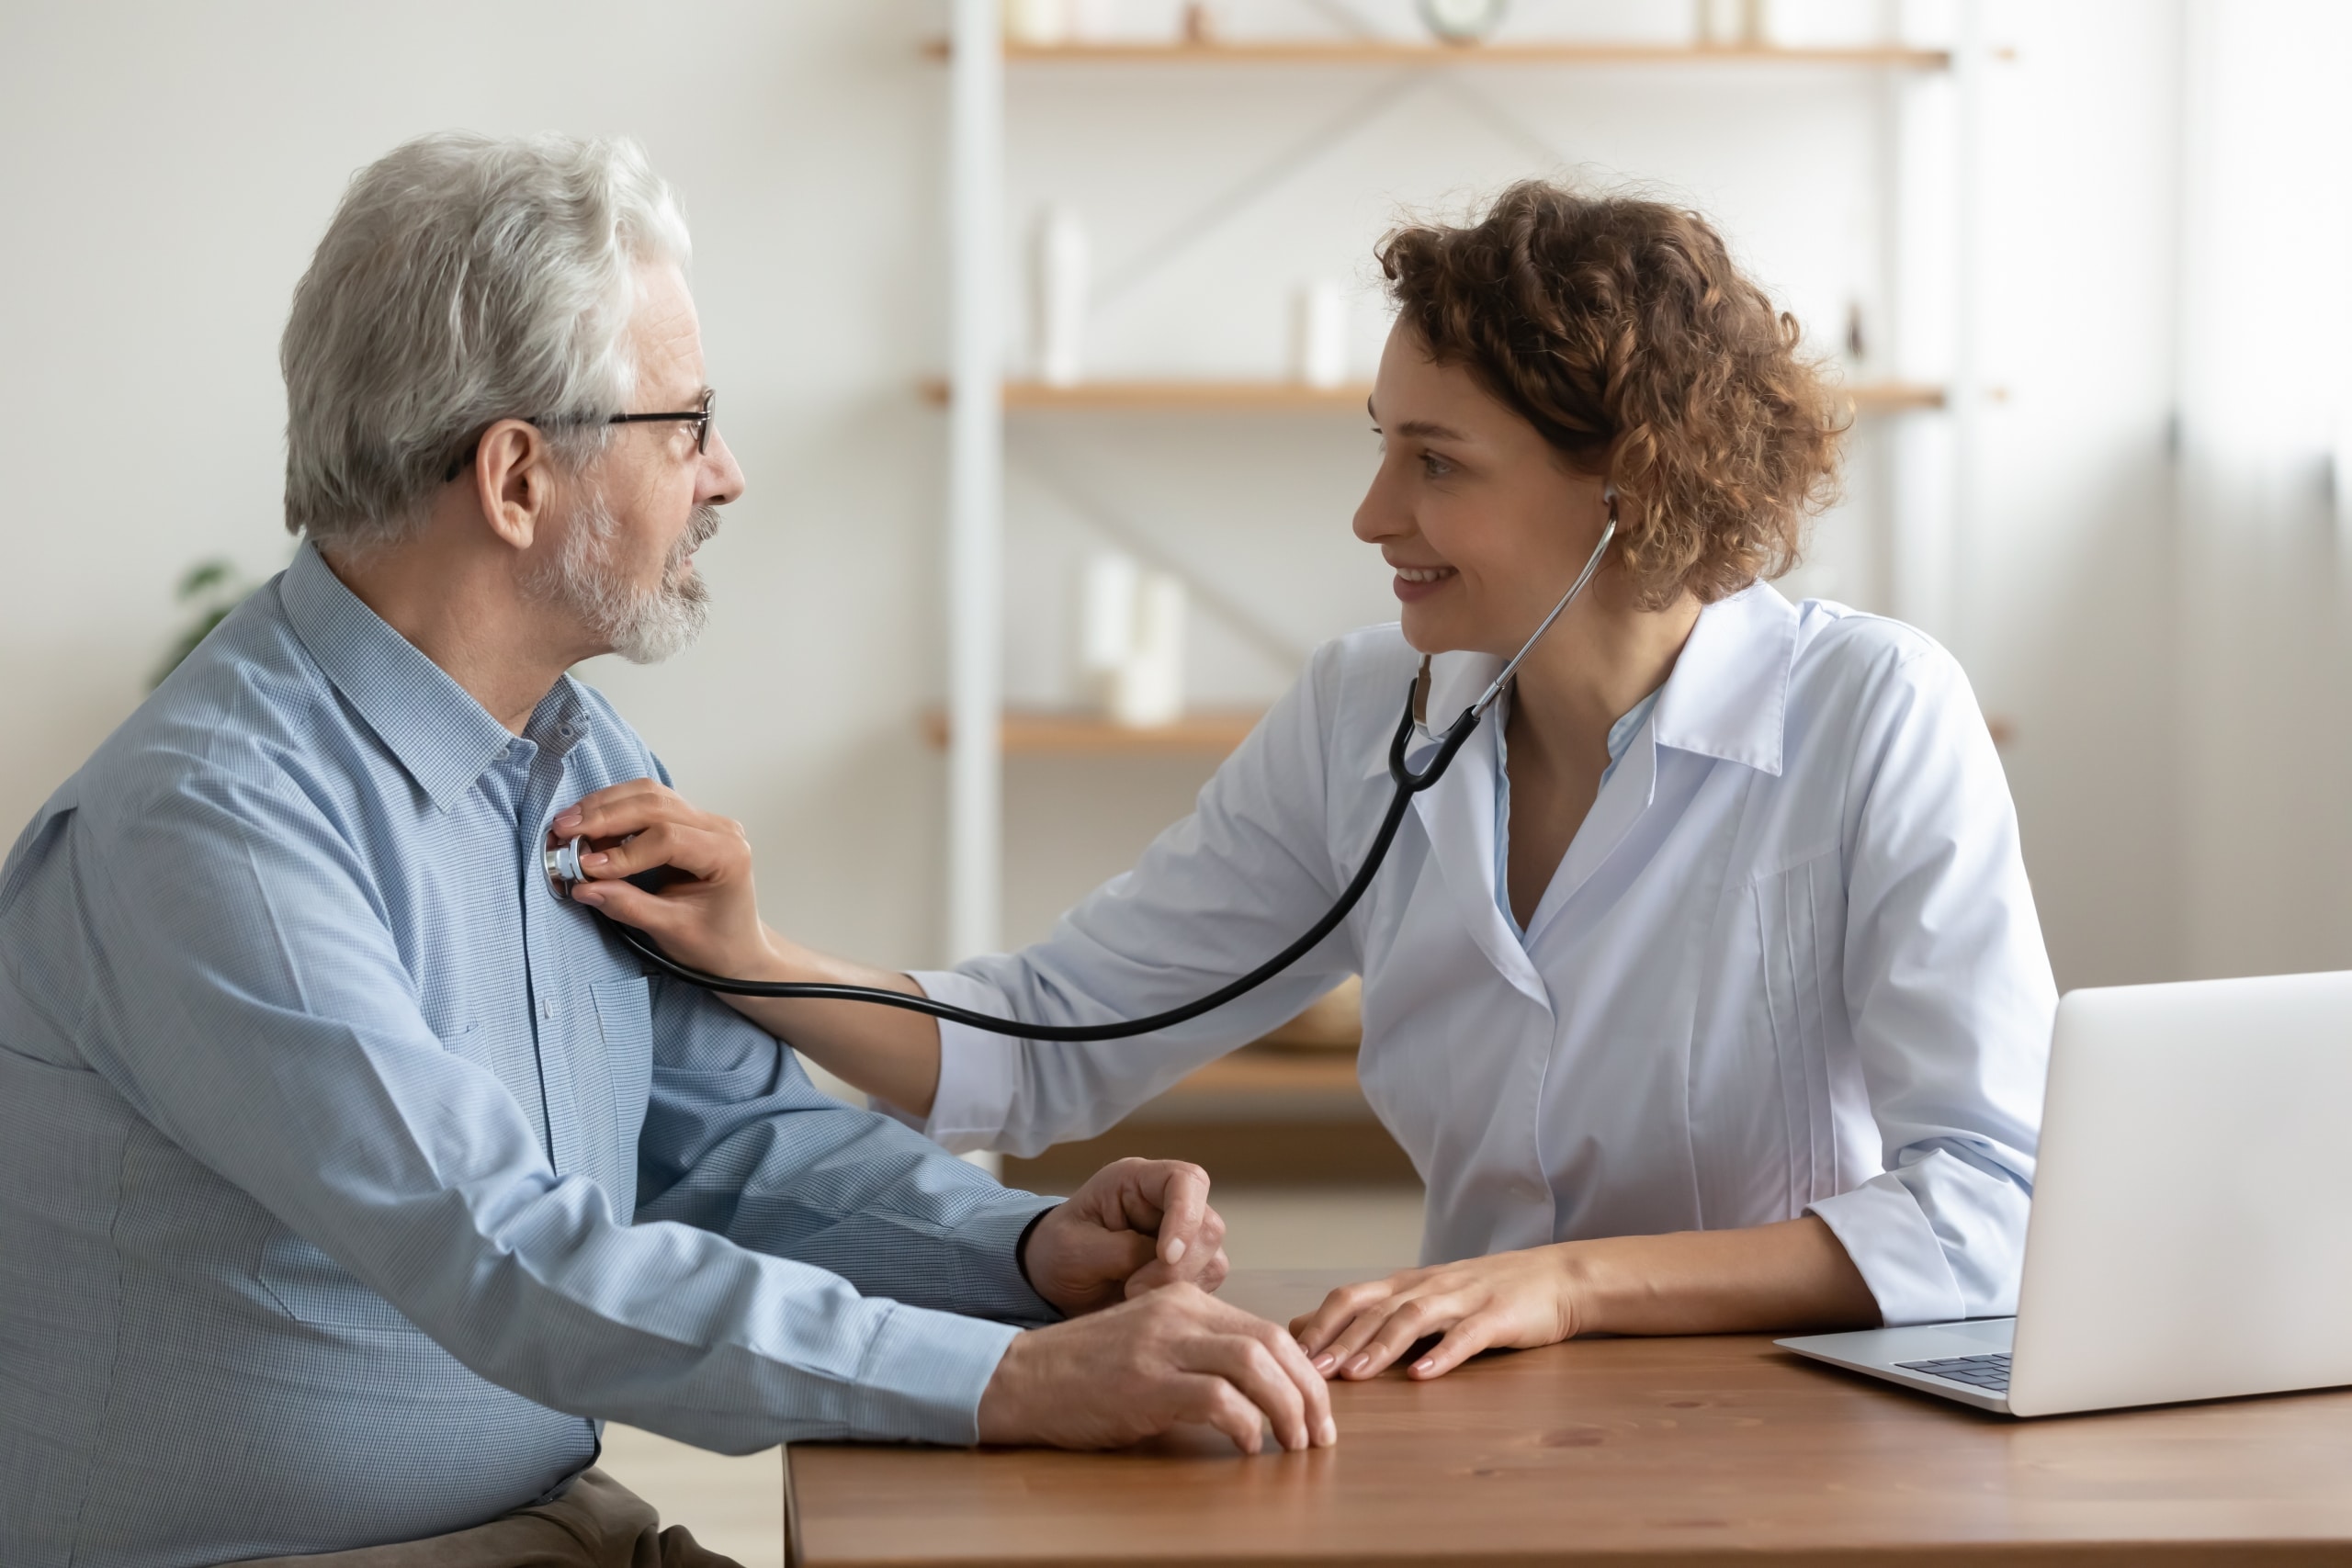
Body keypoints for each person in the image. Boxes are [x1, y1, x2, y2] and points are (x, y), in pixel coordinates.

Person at [0, 132, 1333, 1568]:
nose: (728, 475)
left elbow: (727, 1142)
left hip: (555, 1529)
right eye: (687, 423)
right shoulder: (214, 827)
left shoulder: (581, 761)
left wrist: (1017, 1255)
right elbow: (501, 1252)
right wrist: (1008, 1381)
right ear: (517, 478)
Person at [561, 181, 2058, 1391]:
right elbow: (1050, 1044)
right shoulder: (1368, 716)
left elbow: (1992, 1207)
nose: (1373, 513)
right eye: (1379, 448)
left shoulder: (1872, 717)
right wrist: (751, 960)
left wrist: (1573, 1283)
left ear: (1630, 484)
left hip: (1806, 1429)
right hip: (1479, 1418)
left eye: (1436, 462)